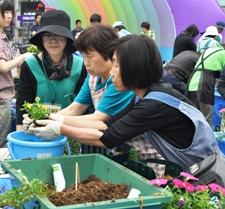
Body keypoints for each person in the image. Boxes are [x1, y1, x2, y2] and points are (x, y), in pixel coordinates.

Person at [28, 35, 224, 184]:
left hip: (205, 177)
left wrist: (60, 129)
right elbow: (106, 124)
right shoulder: (144, 97)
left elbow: (108, 138)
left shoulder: (154, 104)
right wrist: (55, 120)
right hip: (192, 170)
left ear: (133, 67)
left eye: (116, 66)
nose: (112, 72)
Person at [23, 25, 164, 175]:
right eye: (83, 56)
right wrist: (46, 118)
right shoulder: (93, 77)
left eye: (89, 57)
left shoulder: (122, 85)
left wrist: (58, 125)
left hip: (142, 157)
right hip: (116, 148)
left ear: (109, 55)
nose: (85, 62)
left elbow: (100, 123)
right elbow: (74, 109)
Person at [16, 10, 87, 130]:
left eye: (59, 35)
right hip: (36, 131)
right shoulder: (30, 65)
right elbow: (23, 104)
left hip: (69, 131)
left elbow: (84, 107)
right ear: (41, 39)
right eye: (47, 35)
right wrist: (22, 136)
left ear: (67, 38)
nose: (53, 40)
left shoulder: (79, 65)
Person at [0, 0, 32, 148]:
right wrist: (23, 56)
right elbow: (3, 67)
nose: (9, 16)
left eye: (11, 12)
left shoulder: (1, 35)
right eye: (6, 12)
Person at [186, 46, 225, 125]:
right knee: (206, 117)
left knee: (193, 117)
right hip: (205, 83)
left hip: (192, 82)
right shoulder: (223, 54)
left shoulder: (209, 51)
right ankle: (205, 137)